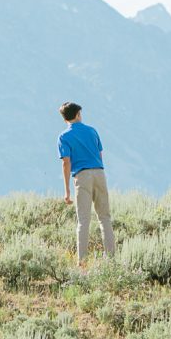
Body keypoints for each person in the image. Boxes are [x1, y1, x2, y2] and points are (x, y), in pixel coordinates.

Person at [58, 102, 116, 263]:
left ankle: (82, 262)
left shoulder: (64, 137)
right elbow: (100, 154)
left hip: (82, 176)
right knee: (104, 217)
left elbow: (66, 163)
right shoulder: (92, 131)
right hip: (99, 173)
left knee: (83, 220)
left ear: (65, 119)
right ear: (77, 114)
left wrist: (67, 191)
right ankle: (111, 259)